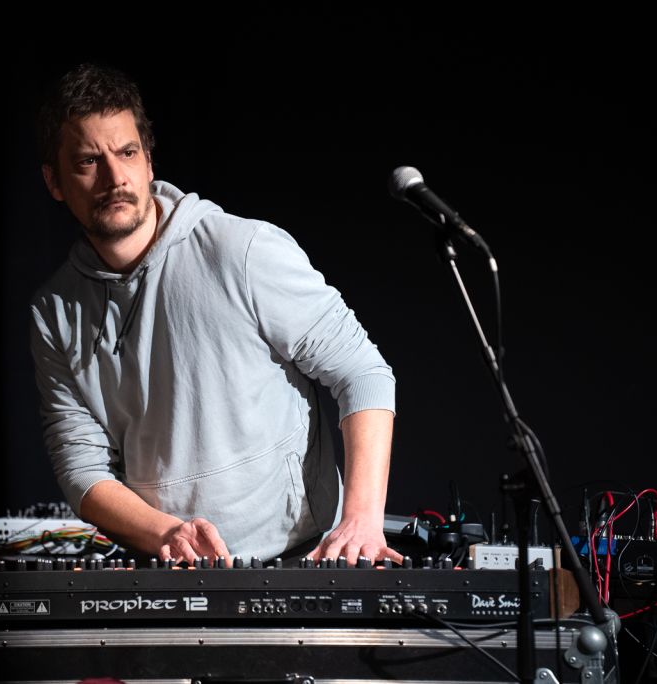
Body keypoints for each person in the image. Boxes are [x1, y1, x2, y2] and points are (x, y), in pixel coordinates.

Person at [30, 63, 401, 565]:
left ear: (149, 162)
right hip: (171, 567)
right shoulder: (55, 311)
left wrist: (361, 519)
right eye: (88, 161)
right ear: (54, 181)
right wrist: (166, 533)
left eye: (127, 153)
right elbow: (81, 468)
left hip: (302, 558)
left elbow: (363, 373)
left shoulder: (240, 251)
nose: (115, 178)